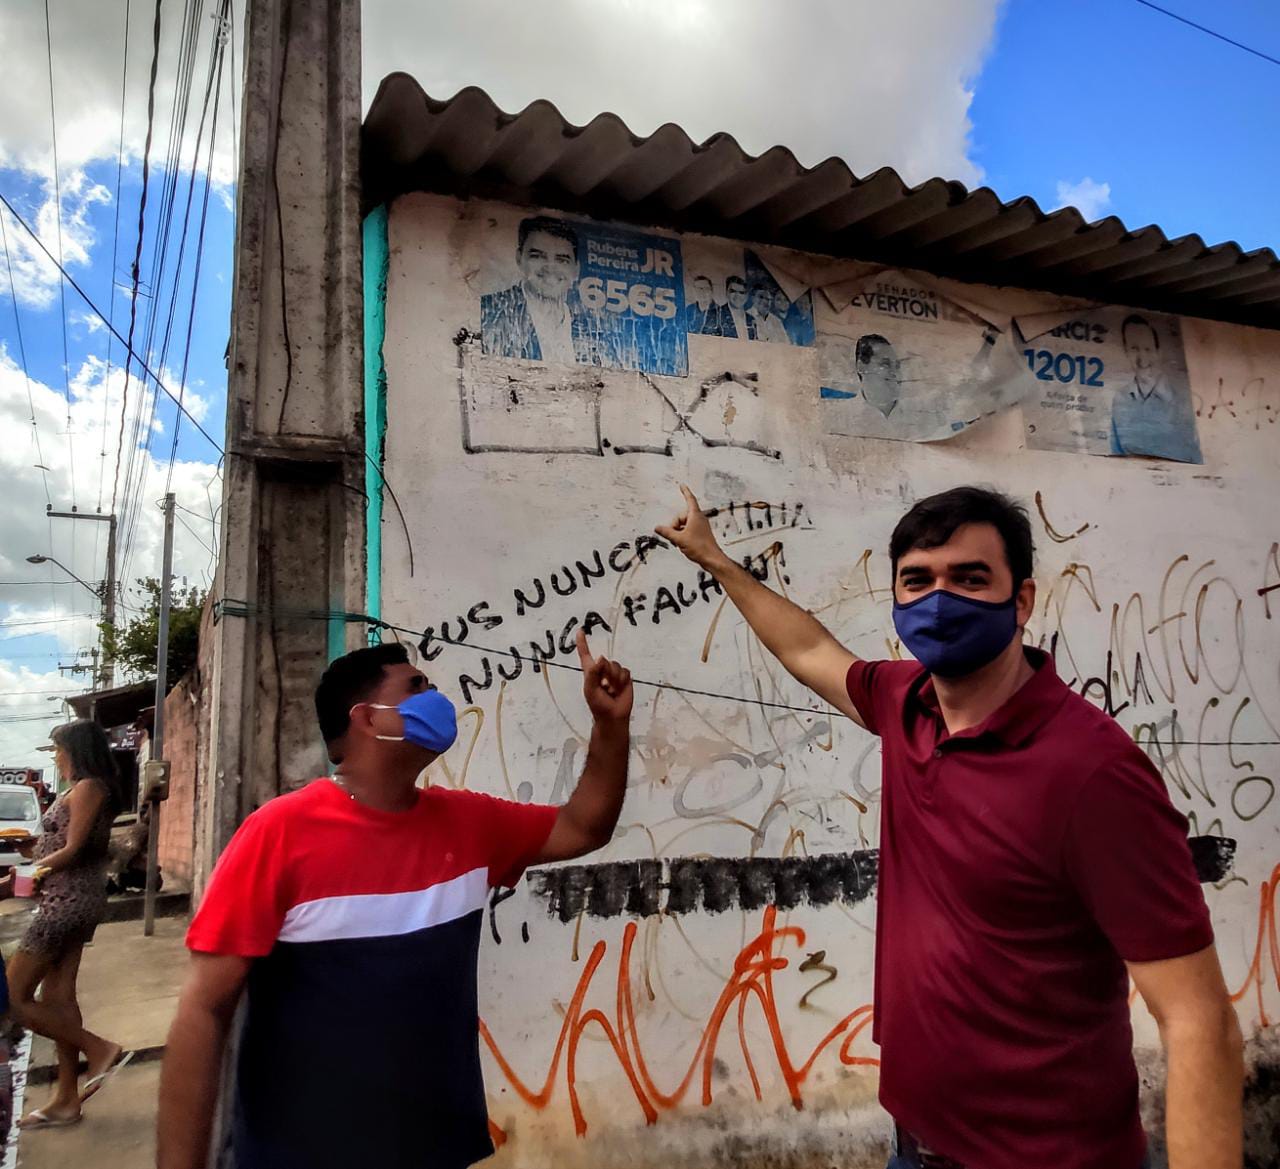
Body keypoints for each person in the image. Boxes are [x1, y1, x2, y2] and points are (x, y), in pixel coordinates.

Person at [655, 484, 1242, 1169]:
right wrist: (714, 559)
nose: (940, 600)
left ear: (1021, 599)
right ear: (896, 598)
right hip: (916, 1142)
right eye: (918, 580)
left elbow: (1200, 1022)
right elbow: (810, 647)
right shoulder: (906, 702)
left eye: (969, 578)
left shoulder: (1092, 772)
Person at [157, 631, 633, 1169]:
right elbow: (204, 1009)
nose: (436, 698)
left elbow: (583, 827)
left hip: (436, 1149)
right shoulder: (278, 833)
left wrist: (610, 725)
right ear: (368, 719)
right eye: (416, 687)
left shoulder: (470, 823)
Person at [7, 719, 132, 1130]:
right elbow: (66, 842)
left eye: (59, 750)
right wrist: (29, 859)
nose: (57, 758)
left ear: (76, 751)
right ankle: (65, 1101)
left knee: (11, 997)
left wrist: (27, 873)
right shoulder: (84, 789)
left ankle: (98, 1049)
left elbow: (74, 848)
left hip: (66, 904)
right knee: (59, 999)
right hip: (71, 900)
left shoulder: (88, 787)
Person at [479, 215, 615, 366]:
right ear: (519, 259)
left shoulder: (592, 331)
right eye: (537, 256)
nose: (550, 268)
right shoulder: (489, 311)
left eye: (562, 260)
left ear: (576, 269)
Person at [1110, 314, 1202, 463]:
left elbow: (1192, 456)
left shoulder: (1180, 402)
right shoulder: (1120, 399)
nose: (1142, 359)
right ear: (1125, 351)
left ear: (1158, 353)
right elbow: (1115, 454)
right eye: (1134, 348)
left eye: (1148, 349)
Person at [856, 333, 902, 417]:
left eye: (897, 366)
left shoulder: (917, 411)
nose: (894, 372)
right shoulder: (844, 414)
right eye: (885, 364)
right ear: (861, 366)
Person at [719, 275, 752, 340]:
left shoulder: (751, 319)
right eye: (733, 291)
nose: (737, 296)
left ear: (746, 296)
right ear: (726, 293)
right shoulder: (715, 315)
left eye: (741, 292)